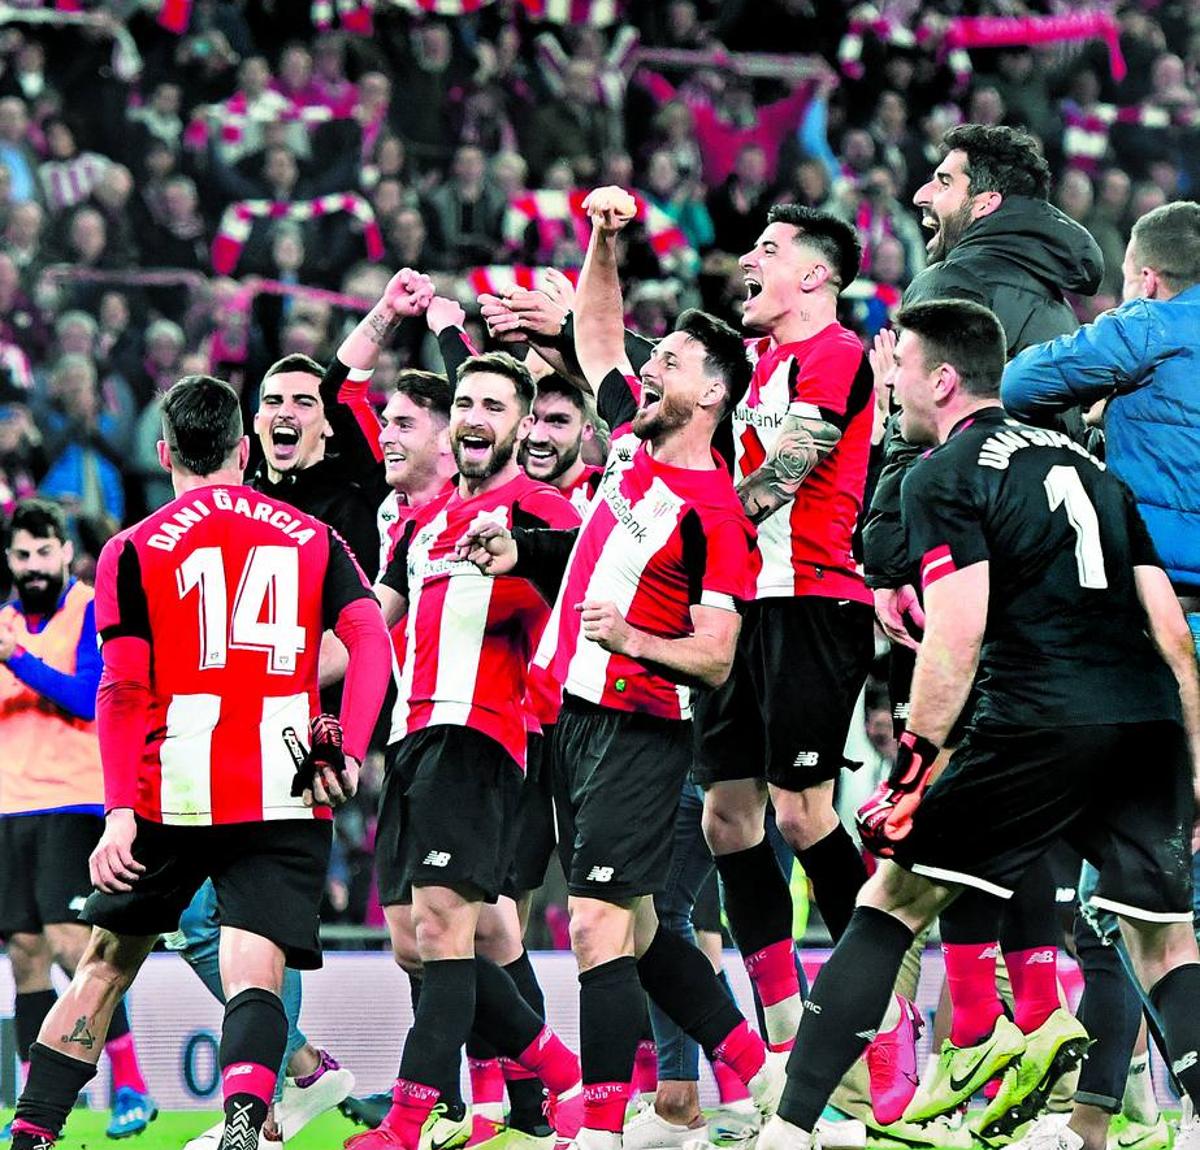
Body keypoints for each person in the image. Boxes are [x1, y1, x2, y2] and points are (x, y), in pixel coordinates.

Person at [756, 298, 1200, 1150]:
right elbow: (1172, 633)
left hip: (1034, 718)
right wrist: (1194, 765)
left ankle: (787, 1128)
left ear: (944, 380)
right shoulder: (1095, 468)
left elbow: (957, 631)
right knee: (1165, 944)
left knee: (891, 900)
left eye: (901, 375)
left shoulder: (942, 474)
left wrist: (914, 766)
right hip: (1143, 722)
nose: (891, 392)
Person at [458, 186, 785, 1150]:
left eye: (673, 362)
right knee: (640, 933)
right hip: (564, 719)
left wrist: (629, 639)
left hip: (639, 724)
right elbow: (598, 335)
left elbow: (718, 656)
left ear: (712, 393)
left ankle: (599, 1131)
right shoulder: (632, 446)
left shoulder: (715, 511)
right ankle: (765, 1077)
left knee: (596, 927)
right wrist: (605, 240)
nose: (650, 371)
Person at [5, 375, 391, 1150]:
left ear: (164, 451)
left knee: (105, 965)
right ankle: (249, 1127)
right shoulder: (311, 537)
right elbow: (372, 638)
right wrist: (347, 745)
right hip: (282, 785)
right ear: (245, 450)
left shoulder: (131, 548)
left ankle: (32, 1133)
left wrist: (117, 810)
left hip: (169, 788)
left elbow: (120, 690)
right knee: (255, 972)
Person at [178, 270, 437, 1150]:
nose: (289, 410)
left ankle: (292, 1097)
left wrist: (392, 309)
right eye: (271, 402)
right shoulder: (247, 502)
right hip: (262, 716)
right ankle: (298, 1074)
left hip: (339, 718)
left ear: (328, 420)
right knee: (212, 921)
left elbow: (339, 370)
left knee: (261, 917)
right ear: (250, 432)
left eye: (304, 400)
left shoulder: (349, 475)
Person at [346, 351, 587, 1150]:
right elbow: (374, 623)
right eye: (467, 403)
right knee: (430, 941)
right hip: (410, 739)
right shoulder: (427, 519)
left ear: (520, 427)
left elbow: (586, 566)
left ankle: (413, 1122)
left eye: (494, 405)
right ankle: (558, 1078)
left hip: (479, 732)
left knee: (446, 931)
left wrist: (527, 551)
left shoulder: (540, 511)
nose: (477, 416)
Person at [1001, 200, 1200, 1150]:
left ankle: (1112, 1114)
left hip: (1166, 623)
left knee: (1130, 893)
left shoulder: (1150, 326)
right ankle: (1102, 1116)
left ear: (1148, 277)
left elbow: (1022, 377)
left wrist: (1098, 392)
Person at [696, 202, 879, 1081]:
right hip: (745, 605)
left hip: (812, 599)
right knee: (727, 818)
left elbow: (792, 467)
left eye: (767, 251)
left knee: (804, 814)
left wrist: (701, 533)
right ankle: (778, 1024)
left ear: (815, 275)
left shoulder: (837, 354)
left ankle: (879, 1036)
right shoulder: (761, 363)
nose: (747, 262)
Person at [0, 499, 154, 1140]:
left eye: (43, 552)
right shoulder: (4, 620)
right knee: (26, 954)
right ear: (8, 560)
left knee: (73, 944)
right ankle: (40, 1111)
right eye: (21, 555)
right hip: (9, 804)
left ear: (66, 551)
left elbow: (92, 697)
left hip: (72, 800)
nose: (33, 566)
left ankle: (132, 1088)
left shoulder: (90, 607)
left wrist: (18, 661)